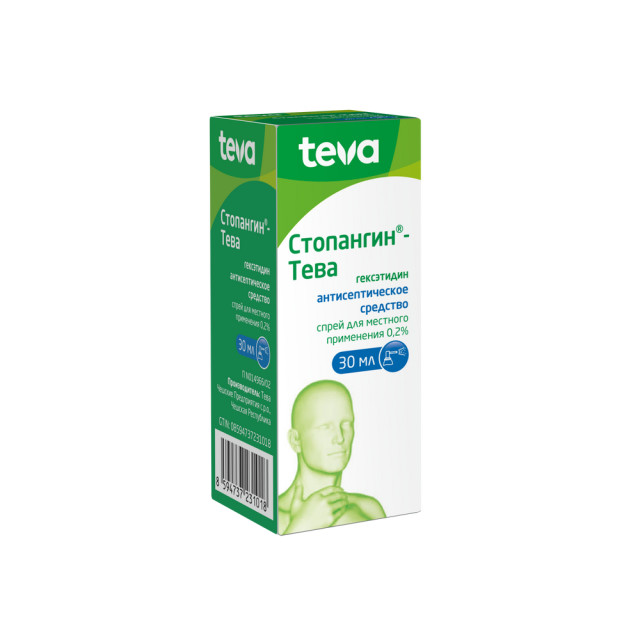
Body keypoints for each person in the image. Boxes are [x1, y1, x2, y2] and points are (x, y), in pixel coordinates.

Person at [278, 380, 385, 534]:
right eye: (325, 427)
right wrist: (302, 526)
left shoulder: (369, 508)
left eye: (346, 424)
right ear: (295, 440)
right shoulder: (273, 517)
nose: (340, 438)